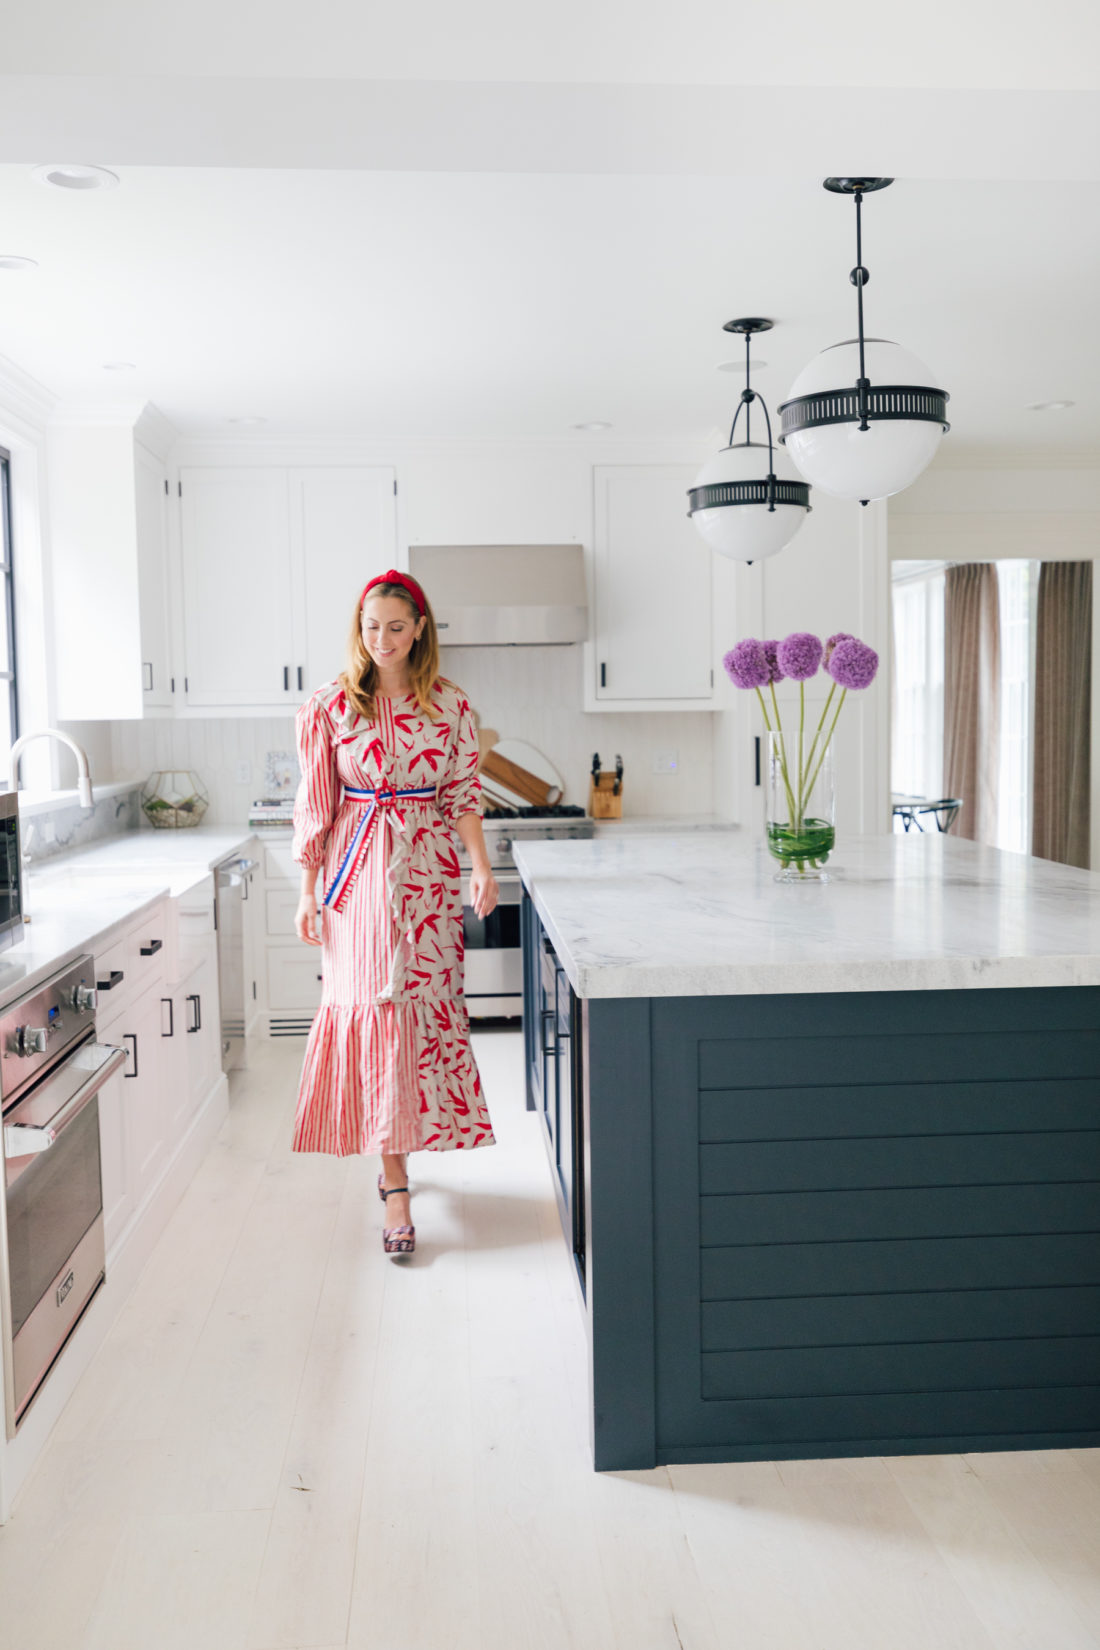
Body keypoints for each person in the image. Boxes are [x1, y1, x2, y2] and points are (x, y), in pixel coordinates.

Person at [291, 569, 498, 1257]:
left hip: (429, 874)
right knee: (374, 1008)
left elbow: (462, 794)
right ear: (360, 628)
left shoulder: (451, 706)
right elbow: (316, 805)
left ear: (420, 631)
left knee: (420, 1007)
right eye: (370, 626)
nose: (381, 639)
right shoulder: (330, 706)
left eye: (396, 627)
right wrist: (305, 889)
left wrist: (481, 864)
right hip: (355, 879)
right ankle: (395, 1182)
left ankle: (403, 1150)